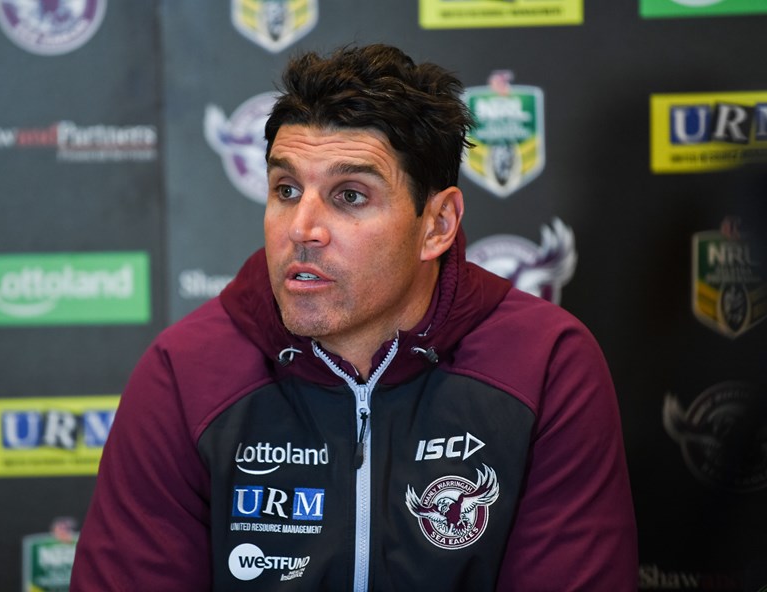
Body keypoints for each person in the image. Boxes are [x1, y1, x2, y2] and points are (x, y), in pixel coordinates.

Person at [70, 43, 638, 591]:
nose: (302, 229)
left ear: (437, 225)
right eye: (286, 189)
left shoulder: (545, 364)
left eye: (350, 196)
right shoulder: (185, 373)